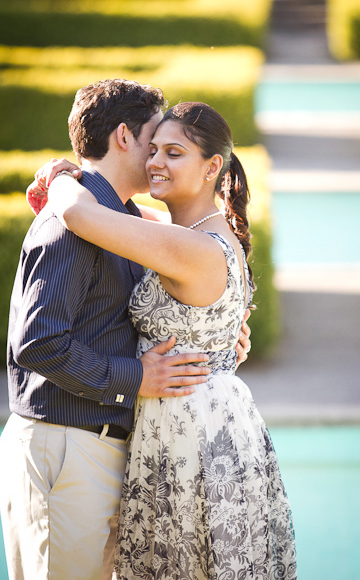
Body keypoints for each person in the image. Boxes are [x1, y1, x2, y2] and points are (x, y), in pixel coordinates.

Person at [39, 99, 297, 579]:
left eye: (174, 153)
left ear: (211, 167)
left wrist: (57, 177)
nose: (155, 162)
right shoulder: (189, 233)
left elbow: (78, 215)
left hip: (188, 429)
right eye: (153, 149)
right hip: (198, 414)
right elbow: (125, 217)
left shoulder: (191, 246)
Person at [0, 79, 219, 580]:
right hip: (64, 446)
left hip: (97, 448)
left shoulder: (114, 220)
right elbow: (37, 344)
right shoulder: (69, 225)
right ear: (124, 136)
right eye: (153, 141)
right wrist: (135, 378)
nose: (158, 157)